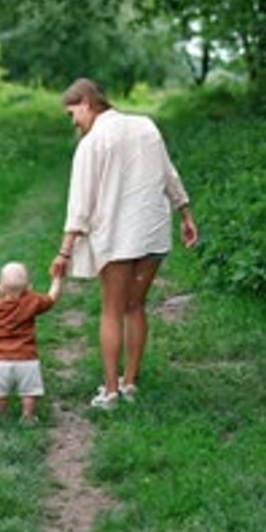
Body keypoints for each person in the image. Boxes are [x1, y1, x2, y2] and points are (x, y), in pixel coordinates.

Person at [50, 77, 198, 410]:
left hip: (117, 236)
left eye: (72, 113)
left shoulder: (92, 142)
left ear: (87, 103)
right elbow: (168, 173)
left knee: (112, 310)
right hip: (152, 231)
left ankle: (111, 392)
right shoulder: (146, 125)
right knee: (135, 307)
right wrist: (185, 213)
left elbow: (80, 203)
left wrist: (65, 250)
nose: (73, 121)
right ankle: (130, 384)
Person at [0, 261, 62, 423]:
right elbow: (51, 299)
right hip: (27, 358)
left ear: (0, 288)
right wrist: (56, 279)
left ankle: (1, 416)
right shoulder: (32, 302)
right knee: (28, 392)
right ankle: (28, 416)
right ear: (28, 287)